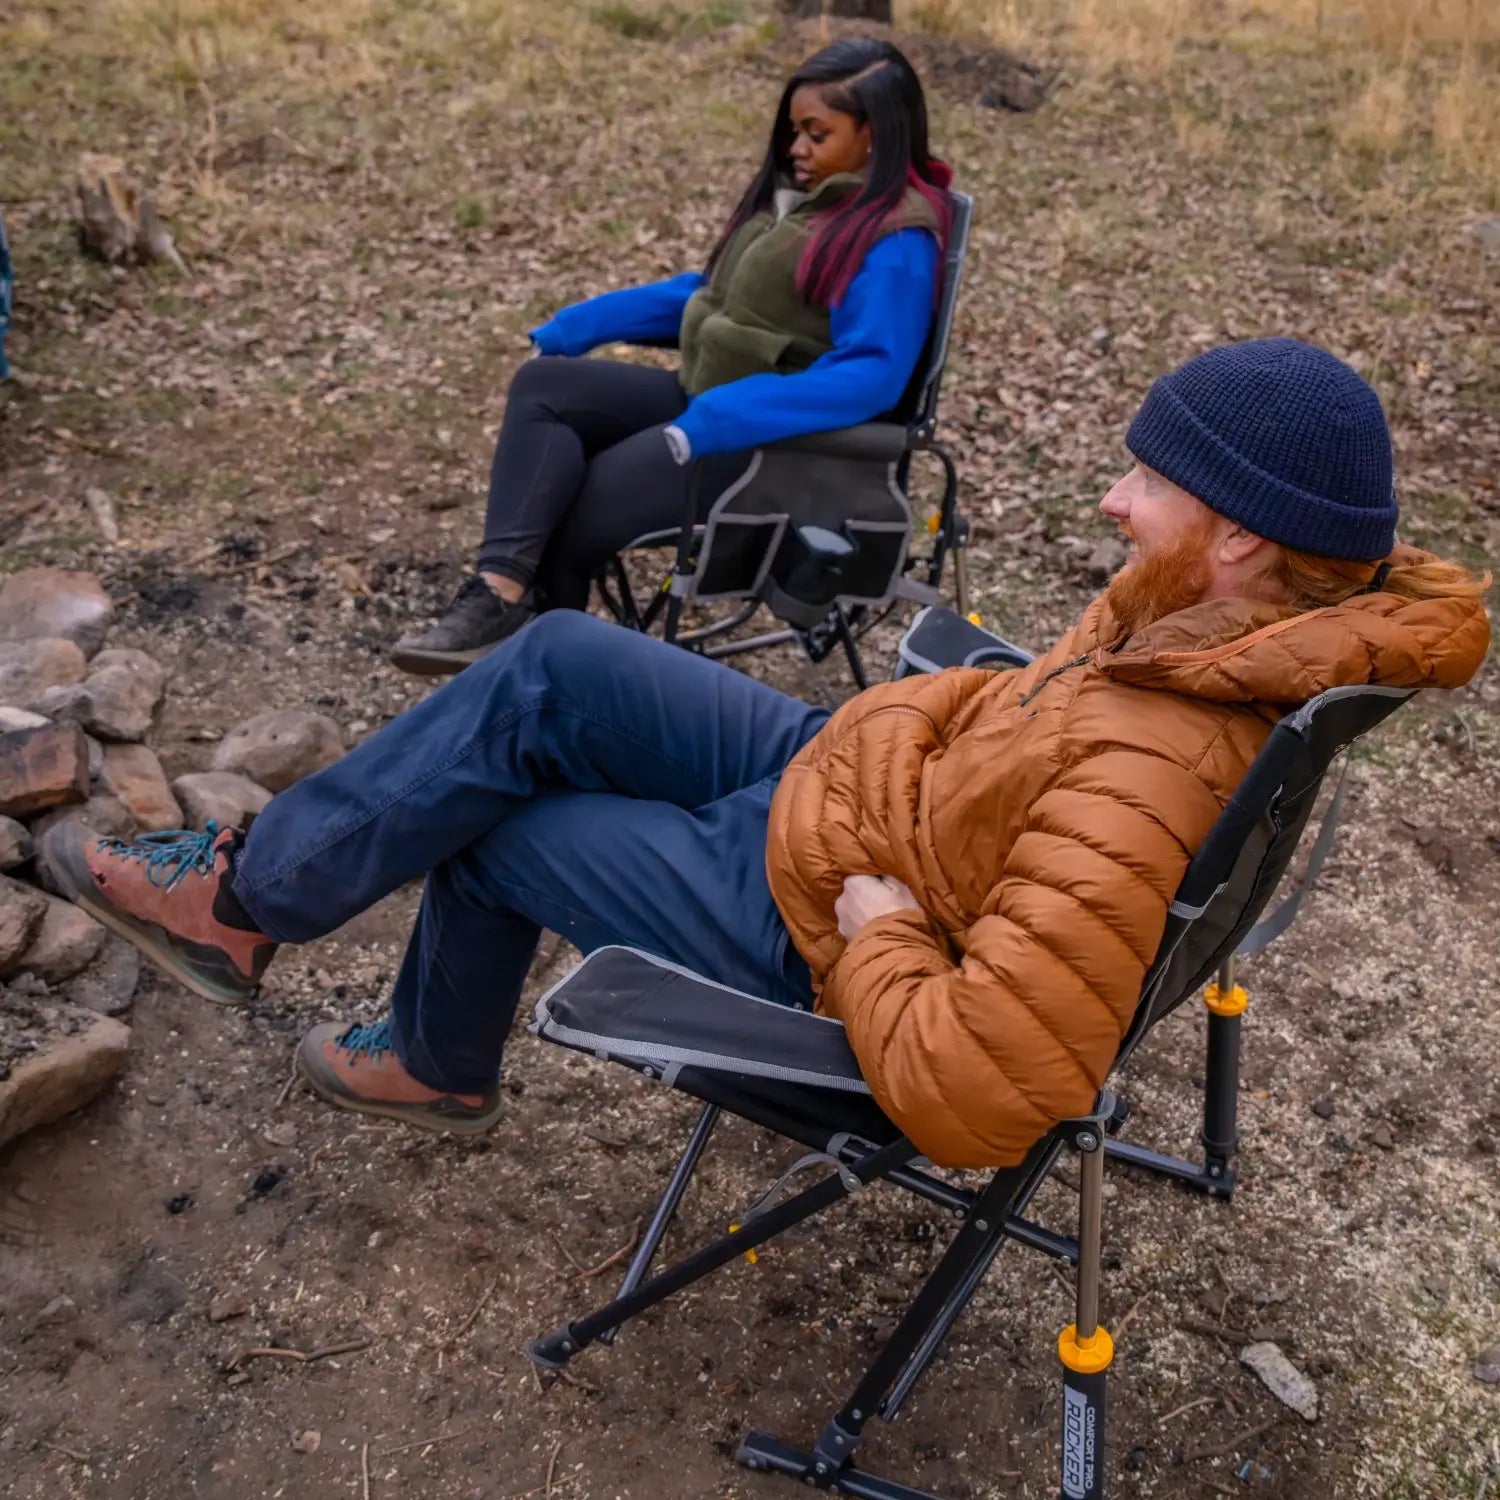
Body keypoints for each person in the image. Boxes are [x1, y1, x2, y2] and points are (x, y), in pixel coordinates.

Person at [46, 340, 1489, 1169]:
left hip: (825, 904)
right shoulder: (1208, 627)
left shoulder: (1159, 765)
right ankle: (245, 903)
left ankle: (431, 1054)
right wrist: (913, 720)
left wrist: (875, 937)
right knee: (548, 665)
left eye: (1147, 484)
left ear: (1241, 536)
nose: (1112, 503)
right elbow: (1016, 757)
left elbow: (989, 1091)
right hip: (855, 775)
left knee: (489, 824)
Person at [389, 36, 954, 675]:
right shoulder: (817, 205)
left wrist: (716, 419)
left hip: (770, 451)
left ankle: (546, 677)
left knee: (569, 504)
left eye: (815, 134)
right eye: (794, 130)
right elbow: (717, 296)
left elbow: (870, 377)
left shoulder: (897, 243)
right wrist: (587, 323)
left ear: (874, 134)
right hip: (709, 402)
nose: (796, 149)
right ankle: (500, 597)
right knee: (545, 387)